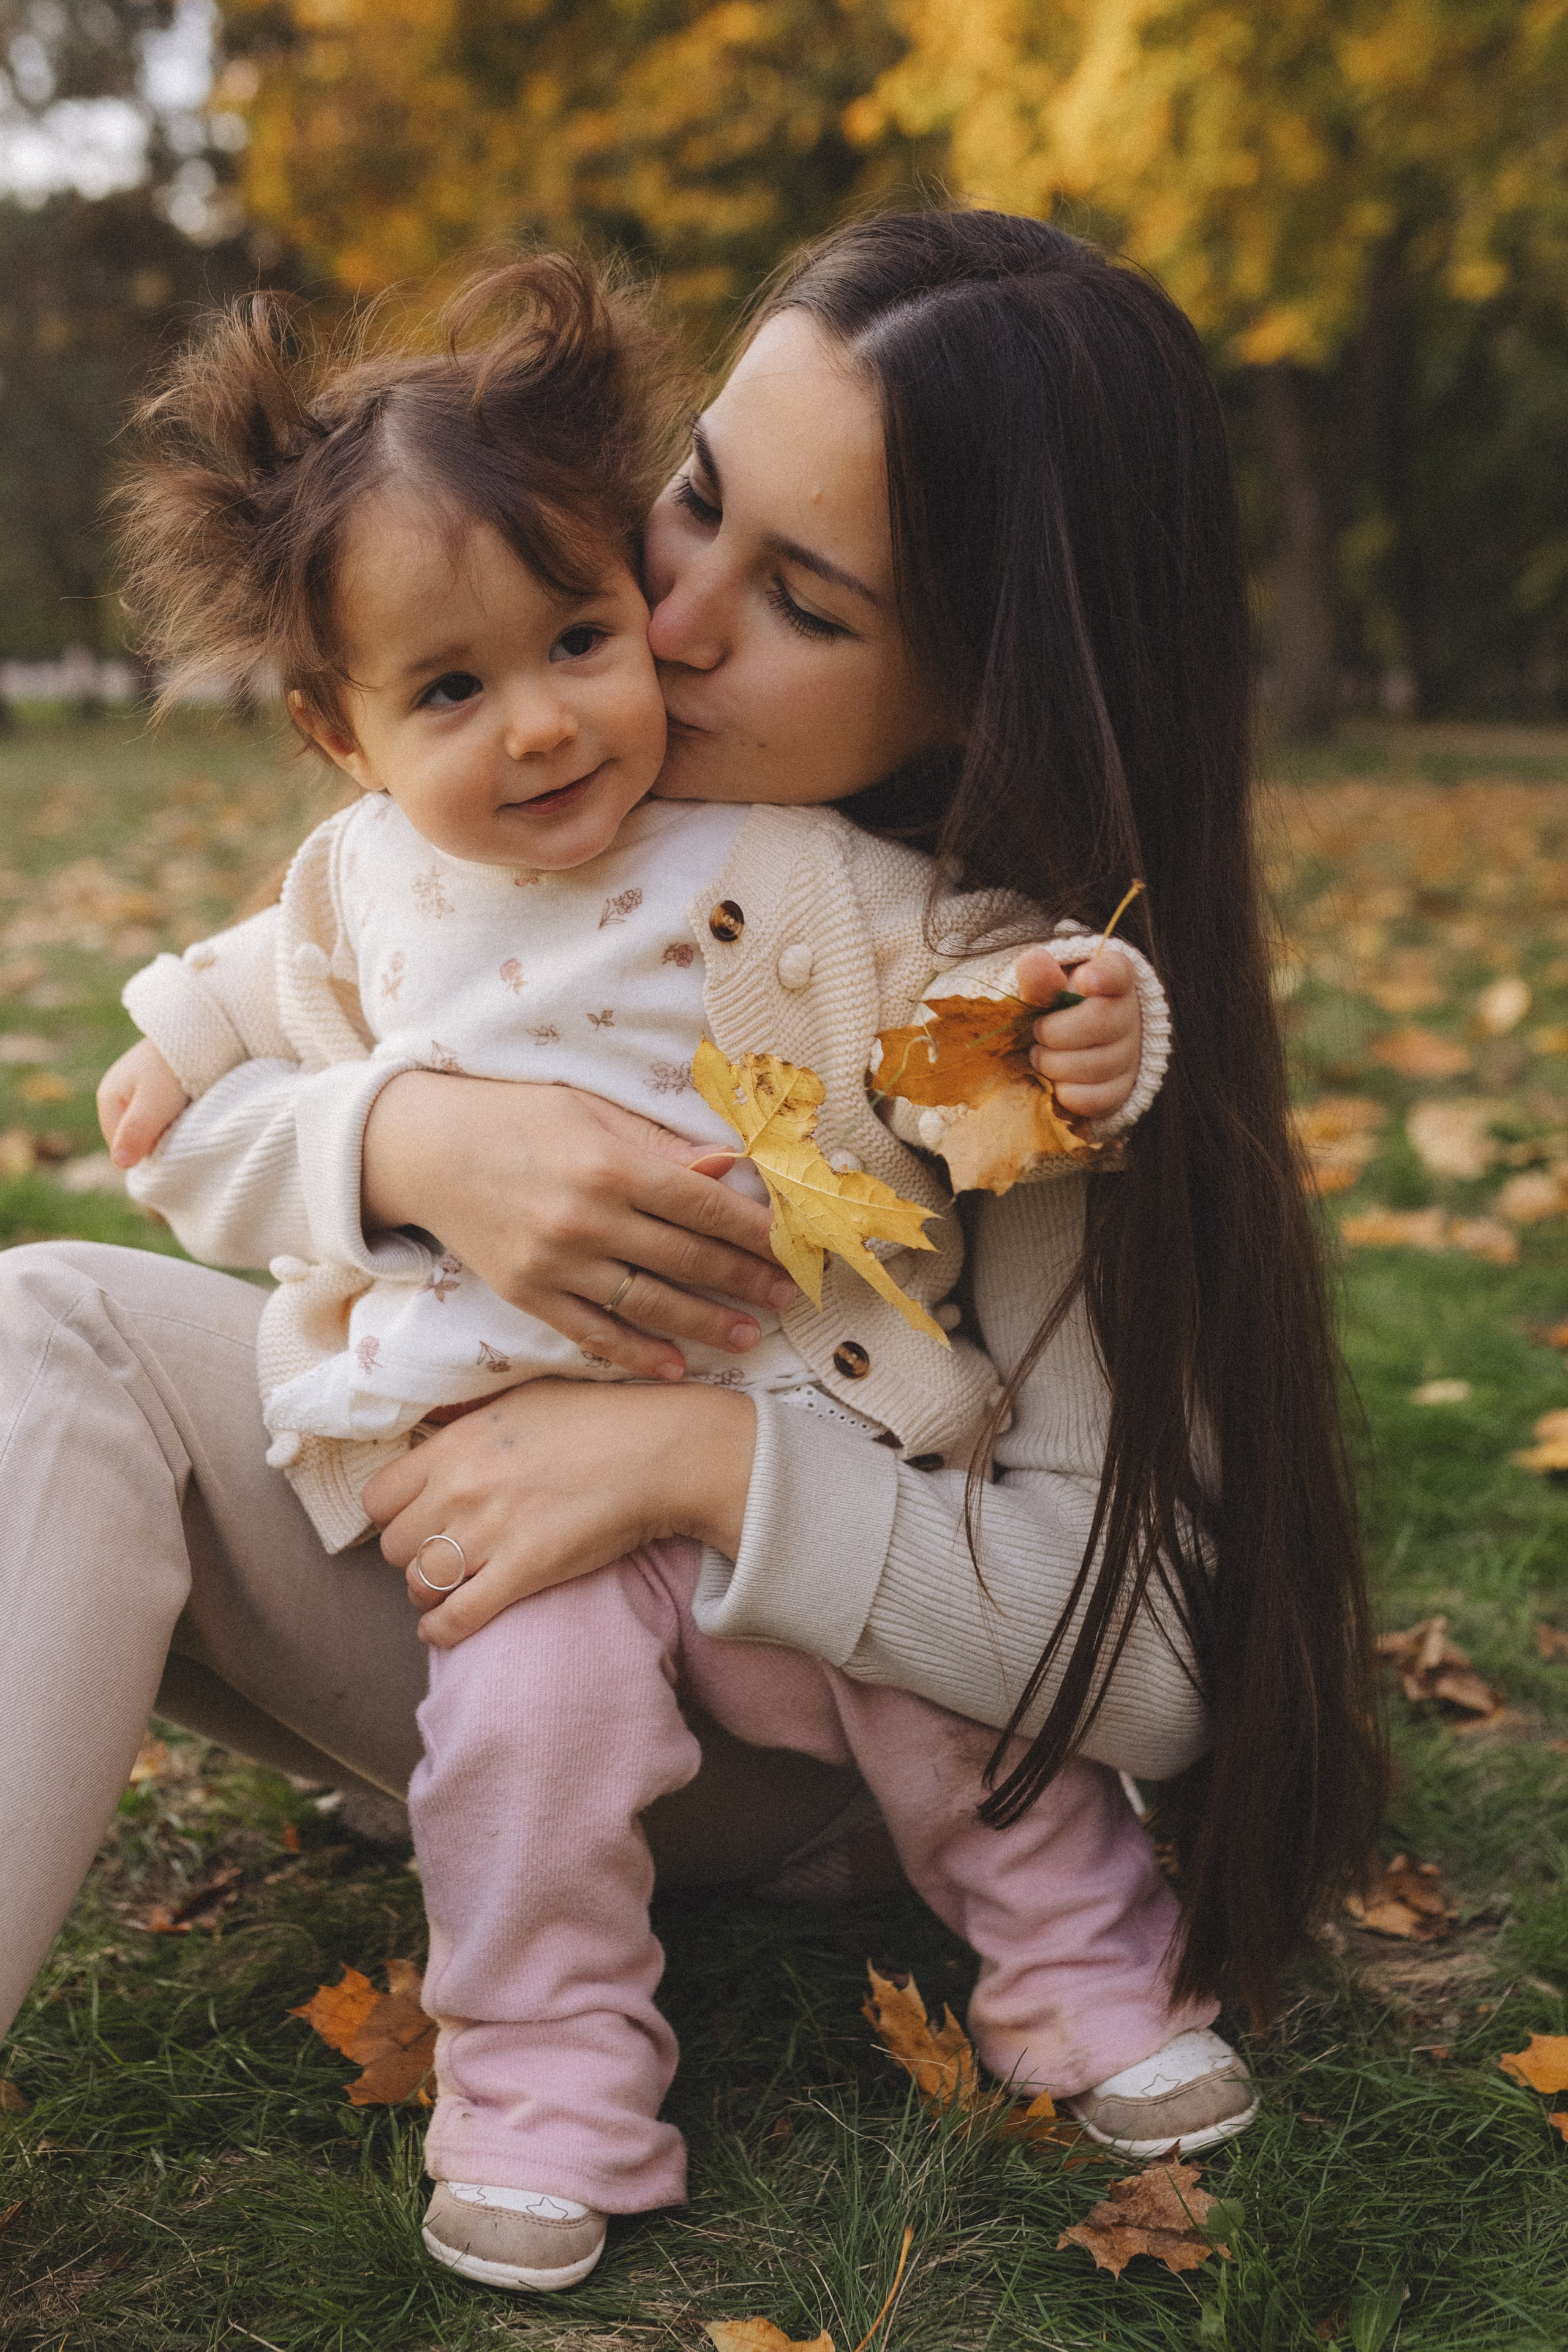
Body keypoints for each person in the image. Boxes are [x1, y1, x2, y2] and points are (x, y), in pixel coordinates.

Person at [0, 208, 1378, 2297]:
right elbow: (228, 1066)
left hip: (816, 1717)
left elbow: (1168, 1664)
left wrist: (691, 1467)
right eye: (694, 505)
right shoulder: (478, 864)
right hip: (491, 1603)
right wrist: (413, 1143)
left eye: (805, 597)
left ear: (987, 676)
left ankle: (1026, 1976)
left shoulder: (992, 1020)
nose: (668, 613)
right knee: (44, 1329)